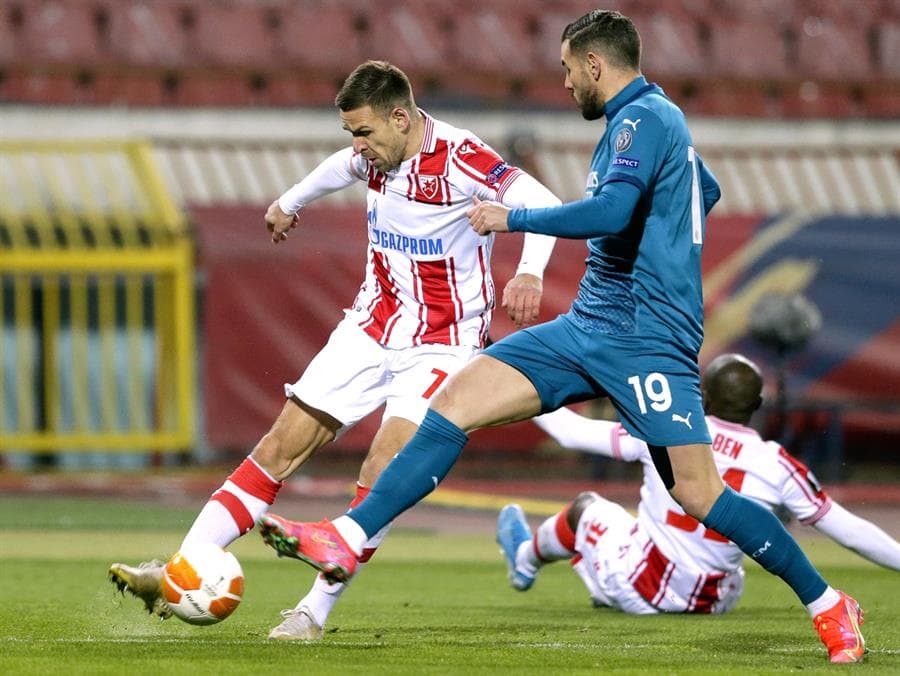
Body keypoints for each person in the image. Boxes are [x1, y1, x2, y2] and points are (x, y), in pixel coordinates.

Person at [258, 11, 866, 663]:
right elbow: (702, 188)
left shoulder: (643, 121)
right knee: (454, 404)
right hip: (587, 325)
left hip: (645, 339)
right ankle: (346, 537)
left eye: (568, 68)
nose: (566, 81)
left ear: (596, 65)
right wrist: (664, 231)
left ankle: (830, 604)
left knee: (698, 491)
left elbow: (610, 212)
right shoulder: (646, 125)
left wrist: (512, 216)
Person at [108, 60, 560, 640]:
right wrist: (289, 201)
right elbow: (338, 168)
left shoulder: (461, 157)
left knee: (384, 470)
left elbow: (541, 199)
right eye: (351, 132)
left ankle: (312, 612)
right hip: (369, 327)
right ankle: (180, 570)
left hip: (442, 346)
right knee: (278, 447)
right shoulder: (377, 152)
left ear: (402, 118)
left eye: (364, 132)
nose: (357, 146)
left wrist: (528, 273)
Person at [496, 353, 900, 617]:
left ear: (701, 396)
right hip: (713, 601)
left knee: (587, 506)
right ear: (759, 406)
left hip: (646, 587)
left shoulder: (665, 430)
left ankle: (526, 558)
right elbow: (848, 530)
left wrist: (513, 381)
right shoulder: (778, 463)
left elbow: (569, 432)